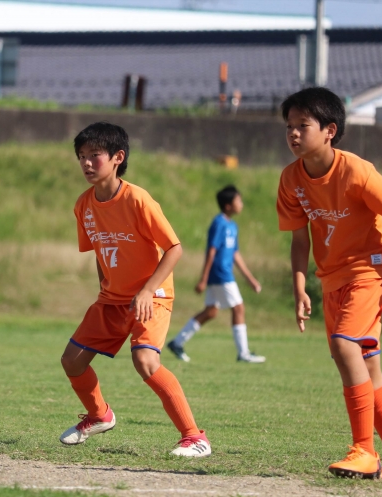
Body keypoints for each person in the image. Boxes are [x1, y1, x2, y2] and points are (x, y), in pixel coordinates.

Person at [276, 87, 382, 480]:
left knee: (344, 345)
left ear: (330, 130)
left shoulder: (356, 171)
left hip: (371, 267)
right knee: (365, 365)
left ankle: (364, 450)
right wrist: (299, 287)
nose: (293, 133)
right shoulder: (291, 178)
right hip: (332, 275)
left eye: (303, 125)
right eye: (289, 126)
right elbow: (300, 240)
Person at [59, 121, 210, 457]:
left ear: (118, 157)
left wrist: (146, 291)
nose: (86, 162)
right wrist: (105, 289)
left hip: (150, 296)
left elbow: (174, 249)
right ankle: (100, 415)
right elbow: (100, 253)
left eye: (94, 155)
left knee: (145, 361)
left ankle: (194, 437)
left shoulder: (138, 199)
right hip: (111, 300)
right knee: (71, 361)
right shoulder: (83, 205)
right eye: (81, 156)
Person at [167, 185, 264, 364]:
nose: (241, 204)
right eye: (238, 200)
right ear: (228, 205)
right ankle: (243, 353)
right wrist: (203, 278)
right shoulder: (218, 223)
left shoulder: (232, 226)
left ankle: (177, 342)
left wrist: (250, 279)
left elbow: (235, 254)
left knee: (211, 312)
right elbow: (211, 251)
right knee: (239, 308)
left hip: (223, 274)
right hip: (221, 274)